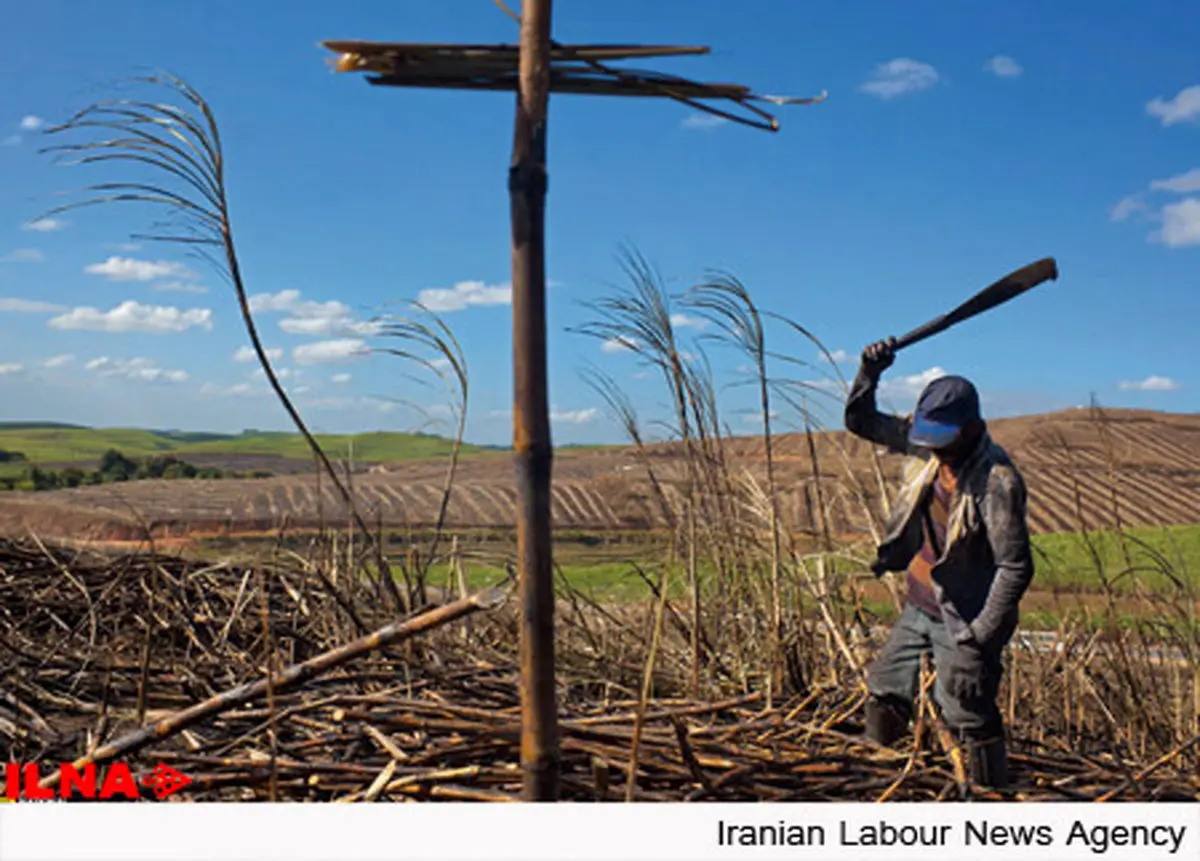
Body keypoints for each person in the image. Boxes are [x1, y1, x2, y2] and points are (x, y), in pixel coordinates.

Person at [844, 337, 1034, 789]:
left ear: (971, 430)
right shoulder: (924, 444)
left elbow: (1015, 568)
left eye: (944, 441)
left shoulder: (997, 482)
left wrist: (977, 643)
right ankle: (881, 780)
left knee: (967, 710)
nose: (935, 450)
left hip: (966, 620)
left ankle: (989, 798)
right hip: (919, 604)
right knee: (885, 689)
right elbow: (860, 421)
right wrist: (869, 373)